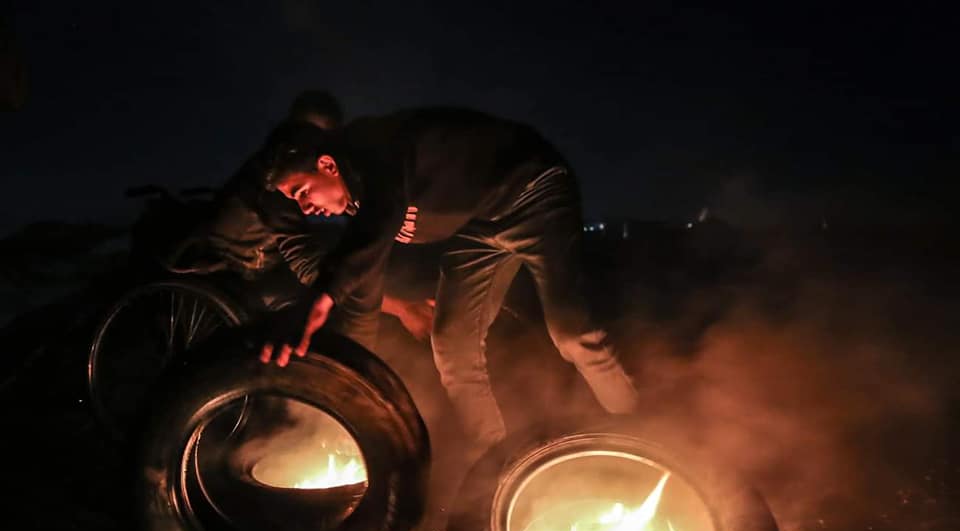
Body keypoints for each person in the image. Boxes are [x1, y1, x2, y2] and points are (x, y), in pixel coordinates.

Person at [258, 107, 639, 453]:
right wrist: (353, 376)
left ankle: (638, 433)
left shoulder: (374, 150)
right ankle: (496, 460)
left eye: (302, 191)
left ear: (327, 164)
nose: (305, 207)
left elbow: (377, 224)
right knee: (451, 343)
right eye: (296, 201)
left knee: (571, 331)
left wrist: (319, 299)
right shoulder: (355, 197)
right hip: (478, 228)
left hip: (532, 191)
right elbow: (365, 273)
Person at [199, 90, 434, 338]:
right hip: (241, 269)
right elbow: (309, 266)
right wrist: (399, 307)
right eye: (311, 139)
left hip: (267, 256)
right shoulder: (276, 181)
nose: (320, 150)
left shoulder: (299, 166)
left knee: (343, 250)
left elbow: (363, 233)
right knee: (326, 296)